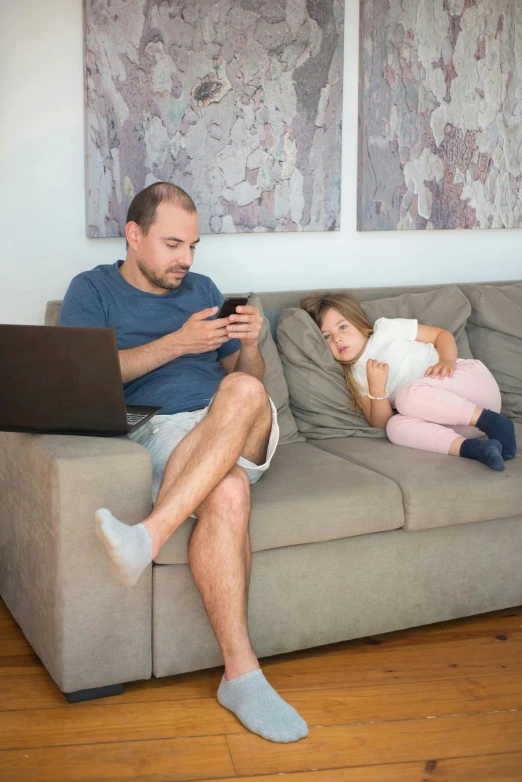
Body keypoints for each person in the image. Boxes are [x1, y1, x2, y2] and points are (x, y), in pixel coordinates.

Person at [60, 182, 308, 744]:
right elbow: (79, 381)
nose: (187, 260)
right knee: (227, 494)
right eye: (173, 244)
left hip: (238, 425)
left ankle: (146, 537)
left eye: (193, 246)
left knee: (243, 391)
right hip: (162, 431)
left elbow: (247, 380)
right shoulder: (92, 290)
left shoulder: (204, 288)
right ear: (133, 235)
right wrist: (177, 342)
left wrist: (251, 343)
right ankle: (242, 676)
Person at [301, 292, 517, 469]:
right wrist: (377, 389)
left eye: (342, 327)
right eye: (326, 336)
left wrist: (447, 360)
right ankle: (476, 449)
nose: (337, 338)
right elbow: (381, 423)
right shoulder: (357, 376)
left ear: (359, 323)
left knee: (406, 397)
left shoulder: (385, 329)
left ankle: (497, 423)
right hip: (460, 425)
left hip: (471, 387)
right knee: (395, 427)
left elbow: (441, 335)